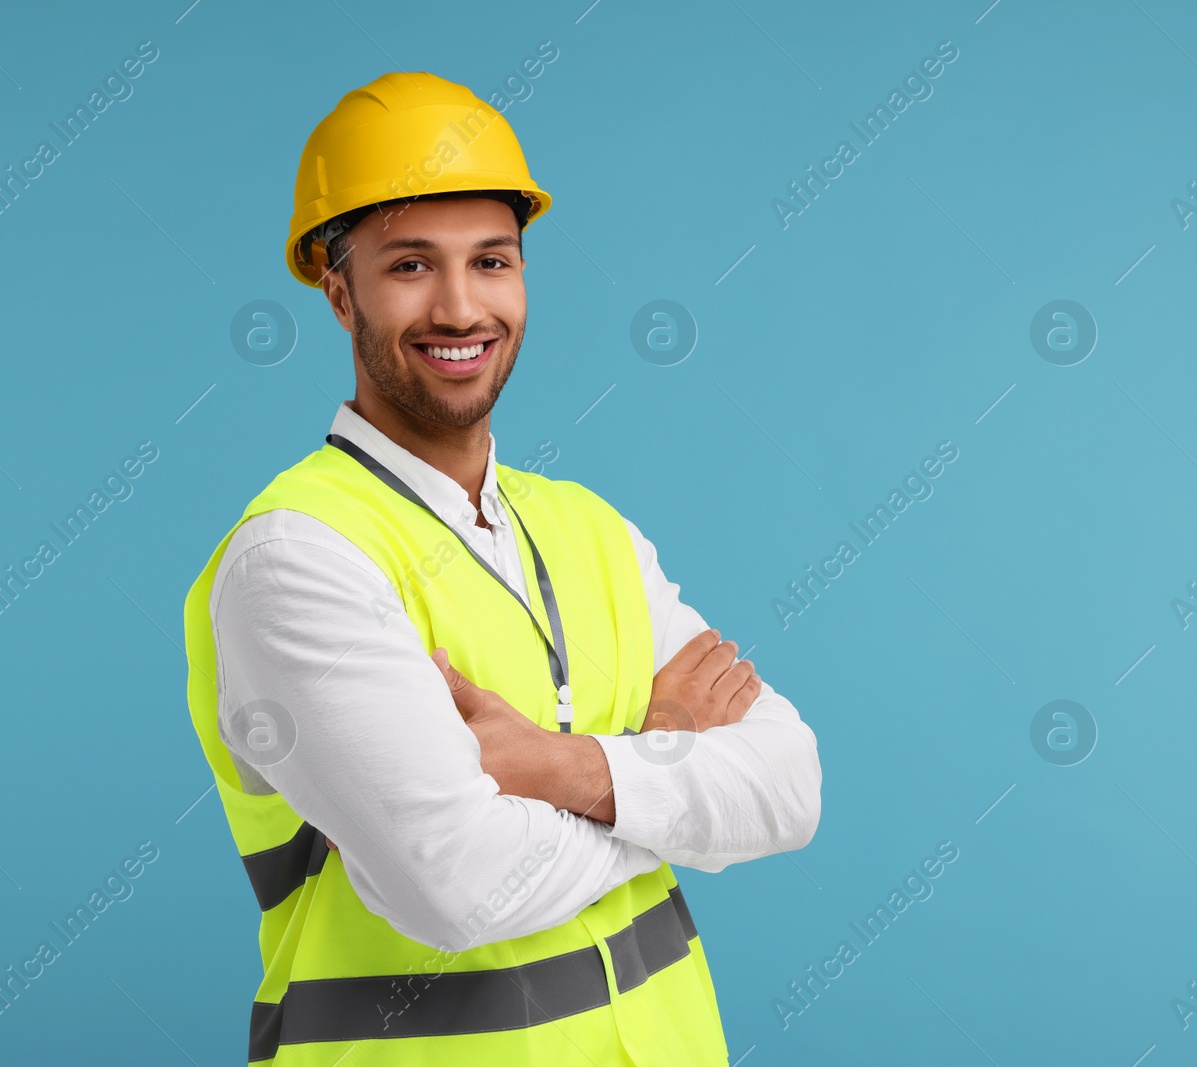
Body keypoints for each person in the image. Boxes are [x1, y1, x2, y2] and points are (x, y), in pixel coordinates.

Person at [182, 70, 822, 1066]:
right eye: (409, 266)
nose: (459, 305)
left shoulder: (590, 528)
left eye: (491, 260)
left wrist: (567, 765)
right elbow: (460, 885)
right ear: (338, 291)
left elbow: (788, 788)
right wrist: (663, 766)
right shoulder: (299, 556)